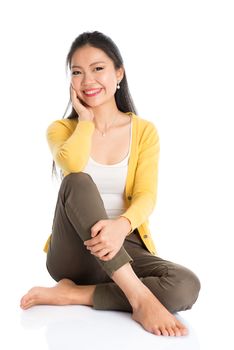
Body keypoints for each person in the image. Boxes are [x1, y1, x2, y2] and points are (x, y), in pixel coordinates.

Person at [20, 31, 200, 337]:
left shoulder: (144, 132)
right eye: (77, 72)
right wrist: (86, 121)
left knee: (186, 285)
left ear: (119, 72)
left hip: (123, 243)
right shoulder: (61, 130)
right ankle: (139, 298)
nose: (88, 80)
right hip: (74, 253)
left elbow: (146, 195)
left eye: (98, 68)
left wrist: (122, 226)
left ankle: (76, 294)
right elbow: (74, 167)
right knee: (78, 181)